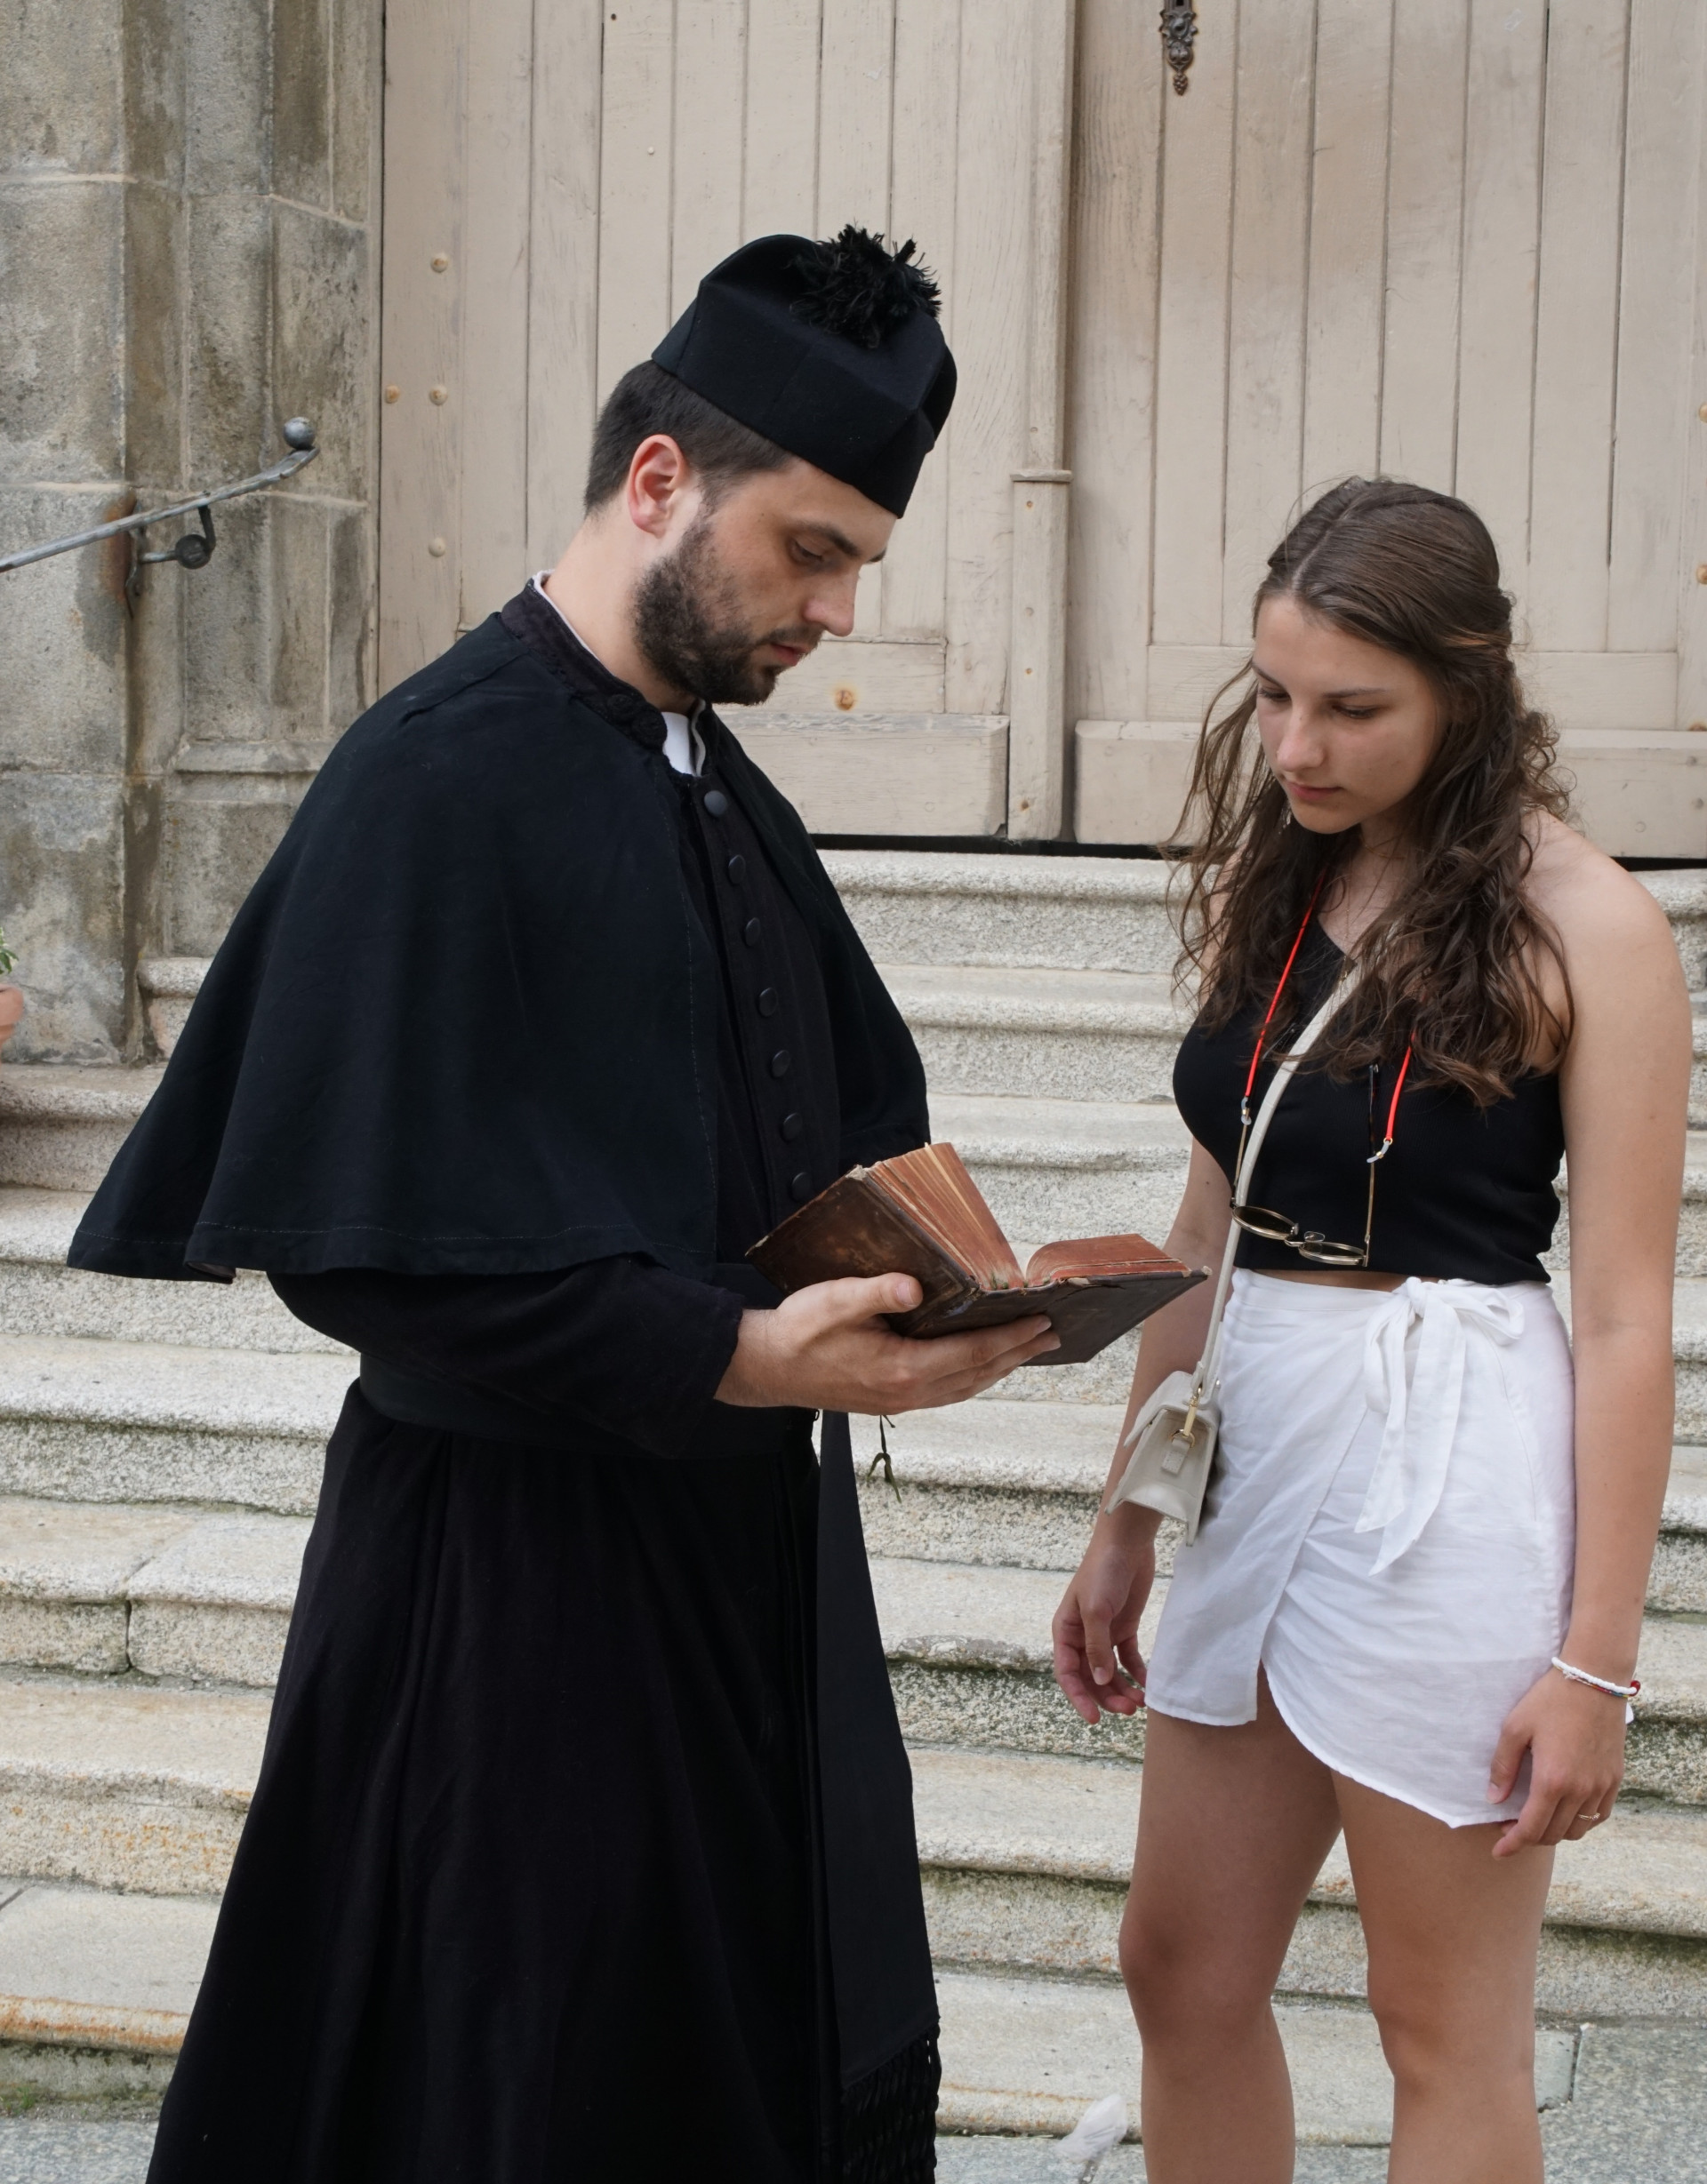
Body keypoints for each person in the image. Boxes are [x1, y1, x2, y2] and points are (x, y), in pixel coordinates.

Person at [72, 228, 1058, 2184]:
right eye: (815, 549)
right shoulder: (436, 775)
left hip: (742, 1571)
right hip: (514, 1603)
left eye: (862, 561)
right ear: (660, 479)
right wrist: (737, 1351)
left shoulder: (715, 779)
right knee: (530, 2083)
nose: (840, 608)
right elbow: (366, 1247)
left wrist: (924, 1291)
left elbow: (814, 1133)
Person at [1051, 478, 1688, 2184]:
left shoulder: (1595, 926)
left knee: (1440, 2022)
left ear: (1466, 694)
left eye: (1351, 708)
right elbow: (1204, 1231)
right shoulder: (1286, 878)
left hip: (1451, 1447)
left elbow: (1628, 1316)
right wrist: (1124, 1520)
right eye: (1273, 695)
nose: (1297, 746)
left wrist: (1595, 1663)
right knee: (1180, 1967)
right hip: (1253, 1419)